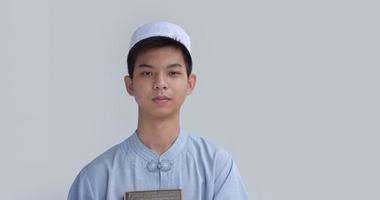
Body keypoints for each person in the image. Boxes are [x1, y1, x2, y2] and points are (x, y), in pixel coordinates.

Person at [67, 21, 248, 200]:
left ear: (190, 83)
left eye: (173, 73)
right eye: (147, 73)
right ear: (129, 85)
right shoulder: (96, 178)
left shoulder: (217, 167)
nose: (160, 83)